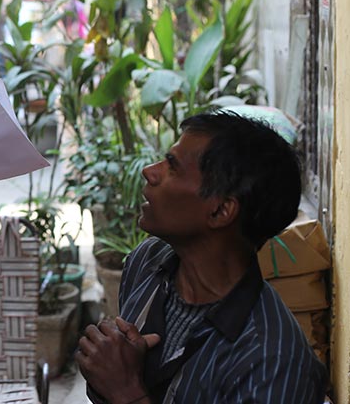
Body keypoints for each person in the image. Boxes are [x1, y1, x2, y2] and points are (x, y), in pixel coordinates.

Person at [76, 111, 327, 404]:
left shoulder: (274, 363)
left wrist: (126, 391)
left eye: (172, 166)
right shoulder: (148, 261)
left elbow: (120, 387)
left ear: (221, 211)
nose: (149, 171)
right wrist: (106, 366)